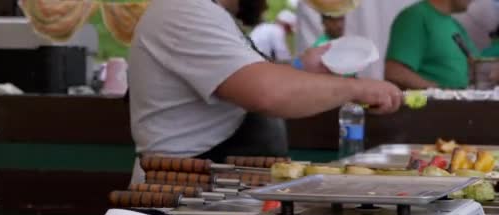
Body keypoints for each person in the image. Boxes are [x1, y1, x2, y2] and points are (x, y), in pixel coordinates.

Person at [128, 0, 402, 183]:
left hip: (213, 187)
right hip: (178, 196)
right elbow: (266, 93)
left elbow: (245, 73)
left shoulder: (209, 14)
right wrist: (357, 88)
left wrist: (299, 66)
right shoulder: (184, 11)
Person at [385, 0, 477, 90]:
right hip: (432, 104)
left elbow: (479, 65)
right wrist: (442, 93)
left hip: (459, 103)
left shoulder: (456, 25)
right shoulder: (416, 16)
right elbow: (395, 73)